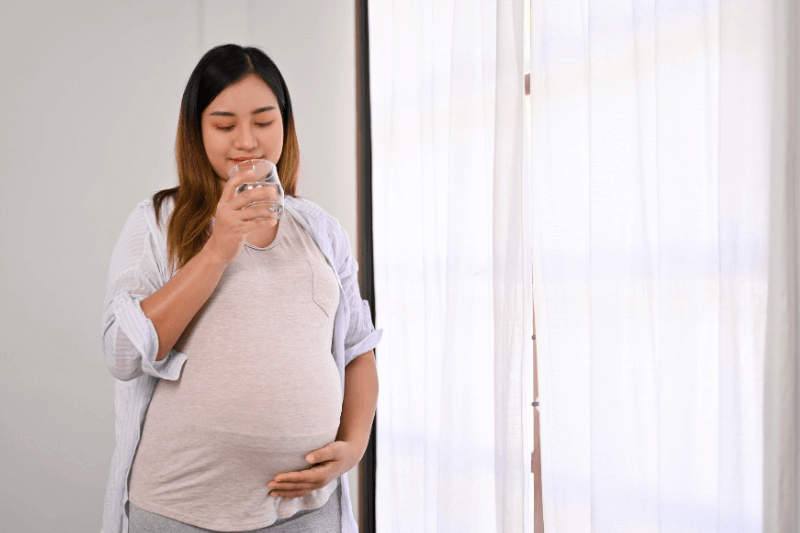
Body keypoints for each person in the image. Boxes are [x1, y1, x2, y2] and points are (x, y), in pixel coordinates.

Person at [100, 44, 382, 533]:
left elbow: (359, 350)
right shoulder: (157, 222)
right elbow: (123, 354)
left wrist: (354, 447)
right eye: (225, 125)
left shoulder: (321, 229)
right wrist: (217, 248)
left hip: (309, 511)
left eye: (264, 122)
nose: (247, 141)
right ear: (197, 130)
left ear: (286, 125)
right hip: (180, 510)